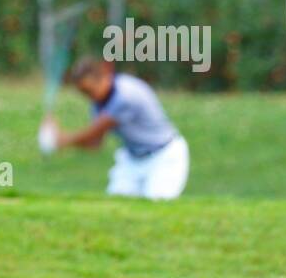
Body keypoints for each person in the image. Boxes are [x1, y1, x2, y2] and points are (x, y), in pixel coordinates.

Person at [43, 58, 189, 200]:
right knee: (115, 206)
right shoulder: (99, 100)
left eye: (88, 91)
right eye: (83, 93)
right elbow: (95, 144)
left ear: (103, 78)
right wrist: (58, 136)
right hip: (132, 159)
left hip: (163, 157)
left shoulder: (126, 95)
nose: (88, 97)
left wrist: (60, 140)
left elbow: (94, 134)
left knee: (156, 207)